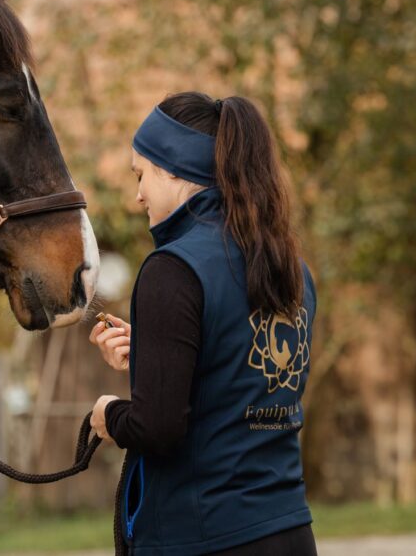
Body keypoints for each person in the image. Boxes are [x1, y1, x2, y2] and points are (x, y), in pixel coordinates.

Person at [88, 92, 318, 555]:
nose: (137, 195)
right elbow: (243, 378)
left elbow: (158, 428)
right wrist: (157, 351)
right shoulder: (290, 265)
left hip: (203, 538)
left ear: (174, 168)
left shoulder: (172, 268)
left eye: (141, 174)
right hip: (290, 531)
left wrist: (107, 414)